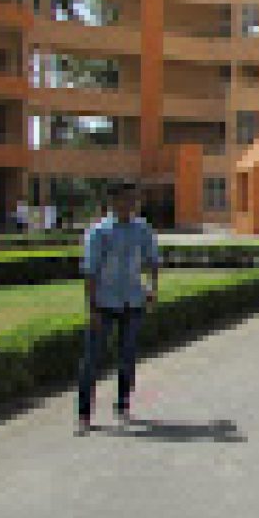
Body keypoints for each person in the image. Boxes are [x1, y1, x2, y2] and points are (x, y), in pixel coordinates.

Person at [76, 182, 159, 435]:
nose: (130, 204)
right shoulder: (99, 232)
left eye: (133, 199)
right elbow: (90, 272)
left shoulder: (142, 229)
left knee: (127, 357)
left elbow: (152, 261)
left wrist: (152, 287)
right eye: (125, 199)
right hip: (105, 303)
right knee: (92, 360)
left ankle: (123, 405)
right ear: (112, 202)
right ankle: (84, 414)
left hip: (133, 301)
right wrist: (92, 309)